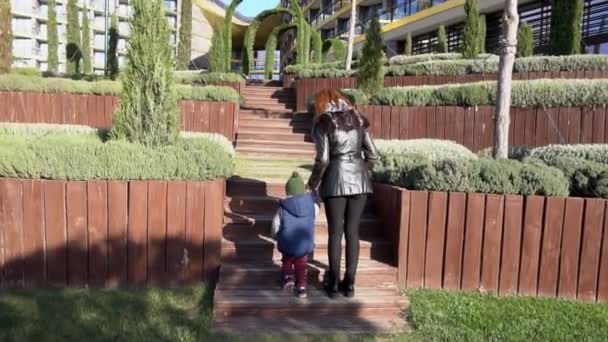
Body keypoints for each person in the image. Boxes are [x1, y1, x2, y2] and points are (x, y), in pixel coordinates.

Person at [307, 89, 378, 299]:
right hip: (360, 182)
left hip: (335, 182)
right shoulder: (357, 118)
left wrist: (312, 183)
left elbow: (324, 160)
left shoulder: (324, 123)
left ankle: (334, 285)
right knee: (353, 232)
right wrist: (361, 173)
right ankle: (350, 284)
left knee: (335, 234)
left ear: (321, 105)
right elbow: (373, 155)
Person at [271, 171, 320, 299]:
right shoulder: (311, 206)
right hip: (304, 245)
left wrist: (276, 236)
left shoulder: (282, 207)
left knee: (287, 260)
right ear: (302, 191)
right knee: (301, 265)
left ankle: (288, 277)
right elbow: (317, 210)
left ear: (288, 191)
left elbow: (275, 225)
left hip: (287, 242)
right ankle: (302, 287)